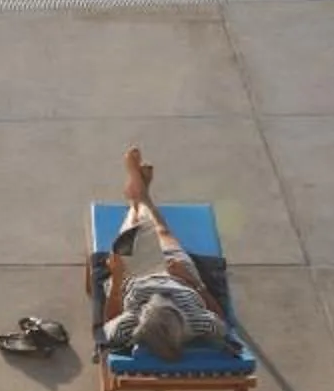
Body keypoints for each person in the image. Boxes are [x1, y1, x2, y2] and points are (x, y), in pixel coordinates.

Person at [98, 148, 241, 364]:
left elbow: (109, 322)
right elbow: (221, 320)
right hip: (179, 275)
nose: (160, 298)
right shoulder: (196, 321)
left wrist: (118, 276)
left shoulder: (131, 323)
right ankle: (140, 197)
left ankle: (138, 199)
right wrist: (192, 282)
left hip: (137, 276)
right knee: (162, 232)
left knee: (135, 234)